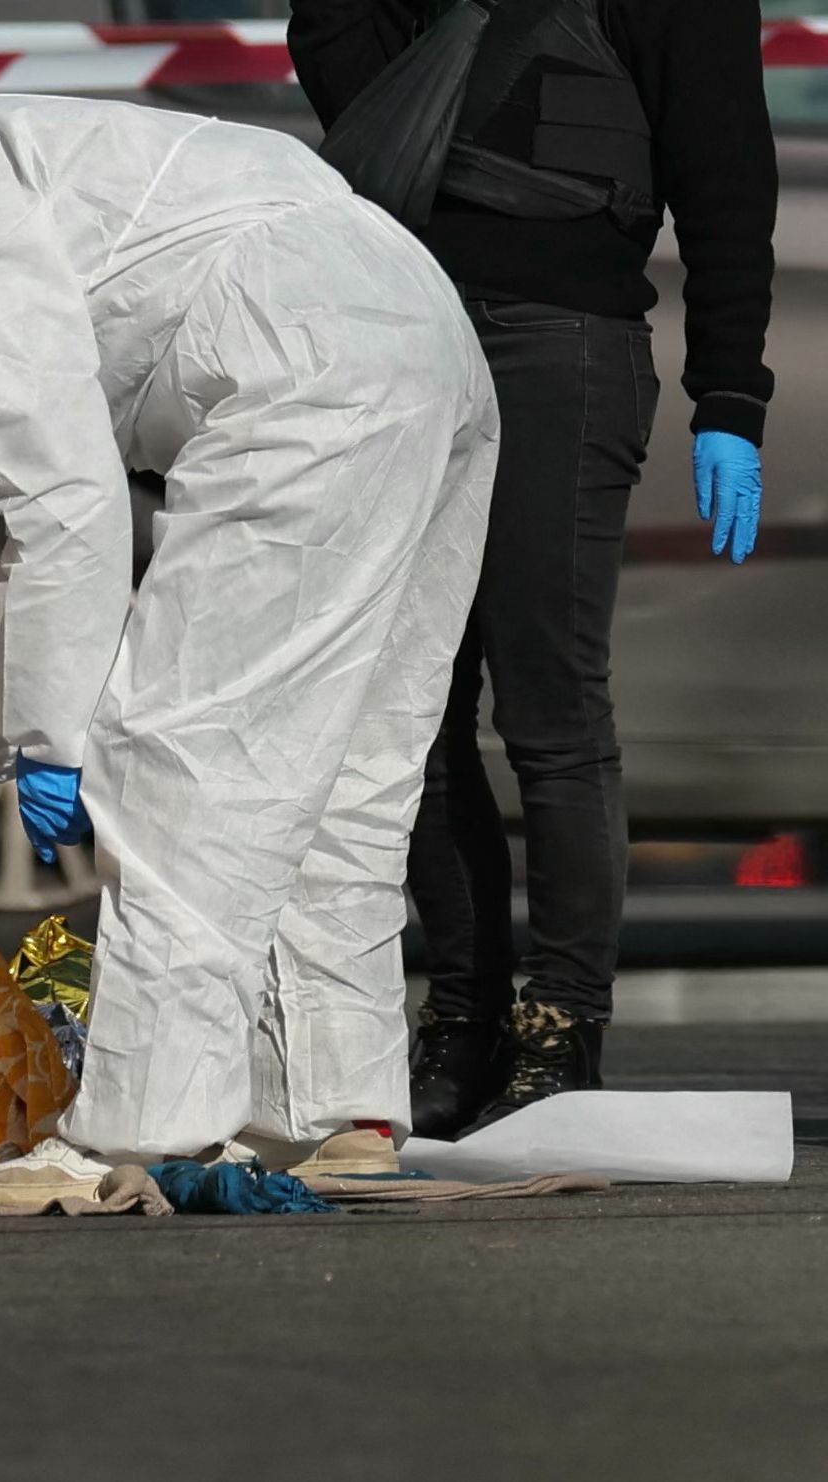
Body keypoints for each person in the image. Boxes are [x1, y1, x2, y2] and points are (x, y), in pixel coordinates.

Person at [0, 91, 498, 1201]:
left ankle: (141, 1130)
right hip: (420, 333)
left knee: (180, 756)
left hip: (301, 361)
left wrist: (39, 741)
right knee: (346, 769)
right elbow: (53, 533)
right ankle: (336, 1109)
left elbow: (69, 511)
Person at [289, 1, 778, 1135]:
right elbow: (348, 84)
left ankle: (563, 1022)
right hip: (401, 326)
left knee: (550, 703)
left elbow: (727, 181)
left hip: (564, 345)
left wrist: (732, 397)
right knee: (417, 703)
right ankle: (463, 1019)